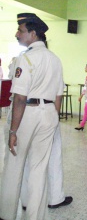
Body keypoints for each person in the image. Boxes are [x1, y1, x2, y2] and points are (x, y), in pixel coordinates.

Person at [0, 13, 64, 220]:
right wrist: (53, 119)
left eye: (21, 30)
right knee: (39, 169)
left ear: (33, 34)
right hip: (49, 114)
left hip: (26, 114)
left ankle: (7, 214)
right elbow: (58, 95)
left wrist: (13, 131)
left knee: (14, 167)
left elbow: (19, 98)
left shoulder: (25, 58)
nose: (17, 34)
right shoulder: (55, 59)